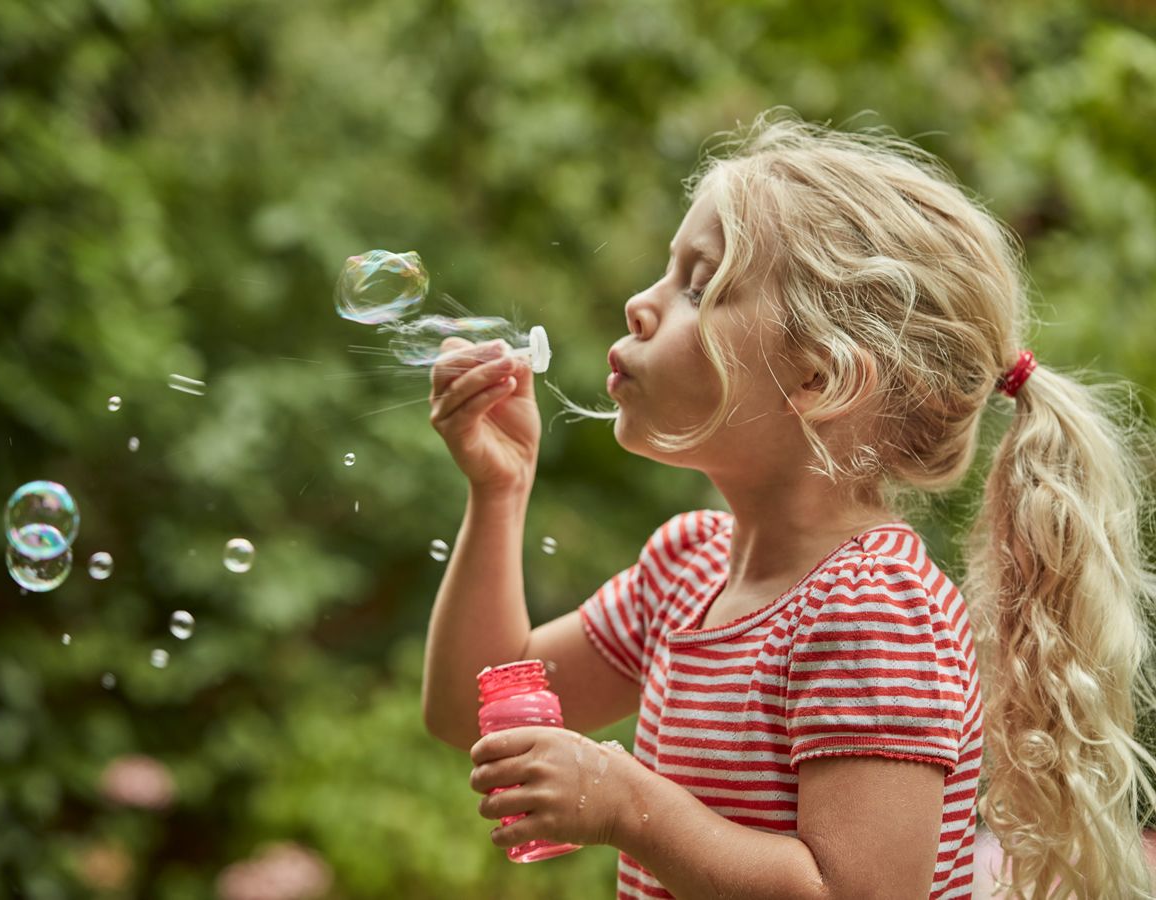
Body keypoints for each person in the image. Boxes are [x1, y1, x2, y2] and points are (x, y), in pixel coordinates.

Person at [420, 108, 1156, 899]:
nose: (642, 302)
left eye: (699, 287)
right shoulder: (685, 572)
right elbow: (477, 706)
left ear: (819, 379)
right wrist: (500, 491)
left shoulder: (873, 610)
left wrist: (629, 805)